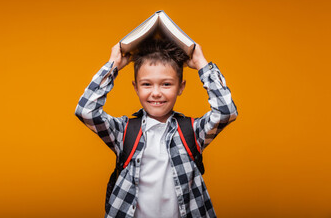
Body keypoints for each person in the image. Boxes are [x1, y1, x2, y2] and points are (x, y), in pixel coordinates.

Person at [74, 38, 238, 218]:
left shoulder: (192, 131)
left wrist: (202, 65)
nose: (156, 92)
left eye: (166, 84)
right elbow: (86, 111)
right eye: (146, 84)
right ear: (136, 88)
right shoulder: (124, 132)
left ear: (180, 87)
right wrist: (113, 65)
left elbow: (226, 111)